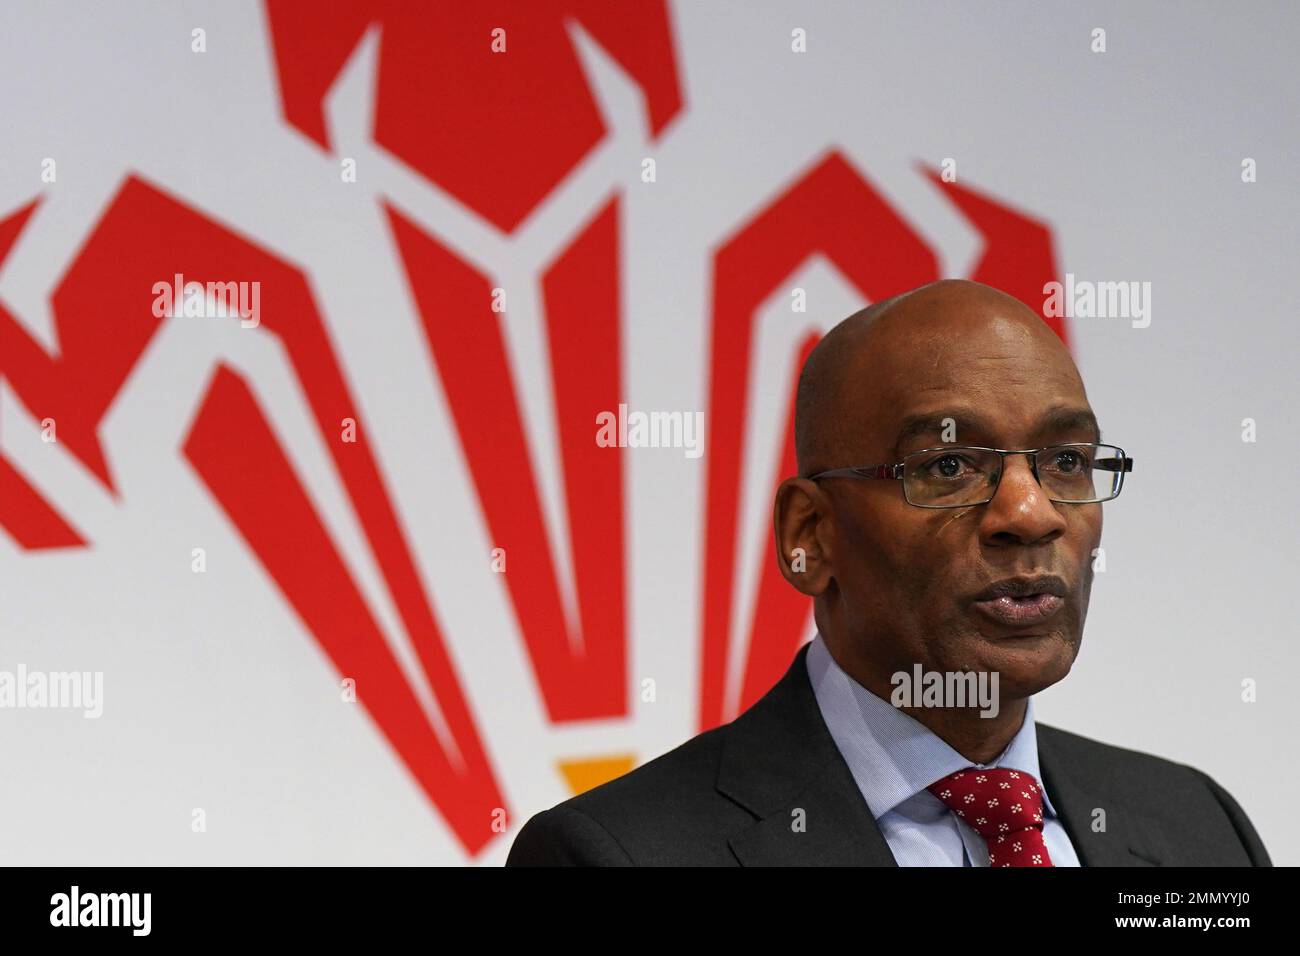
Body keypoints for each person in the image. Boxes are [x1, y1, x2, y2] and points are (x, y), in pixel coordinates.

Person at [505, 279, 1271, 866]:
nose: (1032, 514)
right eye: (947, 465)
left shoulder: (1196, 830)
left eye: (1066, 461)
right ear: (811, 535)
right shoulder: (619, 855)